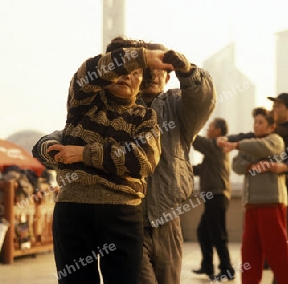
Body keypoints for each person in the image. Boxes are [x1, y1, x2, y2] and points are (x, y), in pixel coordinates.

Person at [32, 38, 171, 284]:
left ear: (142, 82)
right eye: (122, 69)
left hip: (122, 213)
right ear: (108, 75)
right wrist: (144, 57)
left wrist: (83, 154)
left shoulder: (146, 118)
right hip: (74, 208)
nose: (127, 76)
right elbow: (88, 71)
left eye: (136, 73)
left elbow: (142, 162)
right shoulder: (82, 103)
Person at [137, 46, 216, 284]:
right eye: (147, 69)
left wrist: (188, 71)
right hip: (132, 217)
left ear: (168, 76)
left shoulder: (177, 106)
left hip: (168, 218)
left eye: (159, 70)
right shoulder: (124, 107)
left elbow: (203, 100)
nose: (153, 76)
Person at [219, 93, 288, 283]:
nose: (274, 109)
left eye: (279, 106)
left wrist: (284, 167)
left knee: (283, 241)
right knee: (256, 247)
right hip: (256, 200)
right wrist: (228, 140)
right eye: (274, 106)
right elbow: (242, 150)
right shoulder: (256, 137)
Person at [191, 118, 234, 280]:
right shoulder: (213, 152)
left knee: (218, 233)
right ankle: (207, 265)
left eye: (210, 127)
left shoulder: (218, 144)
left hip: (218, 195)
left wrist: (189, 128)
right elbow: (203, 169)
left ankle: (227, 268)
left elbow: (199, 142)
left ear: (218, 131)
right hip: (213, 196)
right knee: (204, 231)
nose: (207, 130)